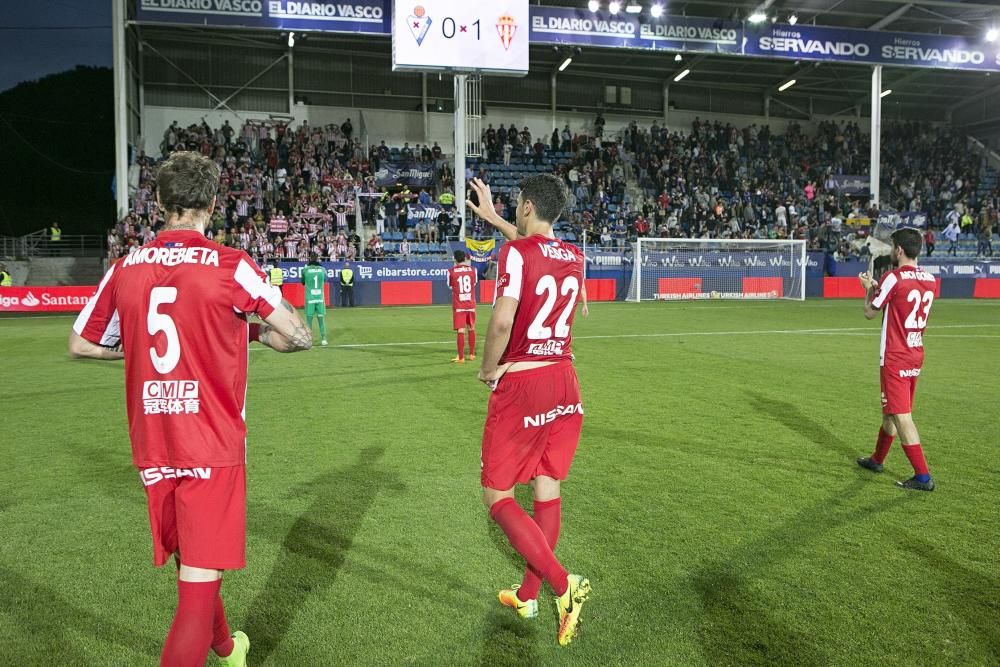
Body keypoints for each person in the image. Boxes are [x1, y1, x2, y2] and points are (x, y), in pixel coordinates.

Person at [67, 151, 312, 666]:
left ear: (157, 202)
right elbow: (298, 336)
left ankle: (227, 648)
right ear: (215, 204)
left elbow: (81, 344)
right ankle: (211, 644)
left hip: (153, 441)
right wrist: (249, 330)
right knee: (195, 593)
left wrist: (132, 350)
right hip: (210, 442)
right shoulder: (231, 265)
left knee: (194, 564)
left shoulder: (125, 267)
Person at [465, 174, 591, 647]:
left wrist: (487, 369)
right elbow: (536, 250)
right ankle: (527, 595)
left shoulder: (515, 254)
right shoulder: (573, 256)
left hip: (525, 382)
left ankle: (564, 586)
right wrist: (493, 217)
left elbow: (501, 319)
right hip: (565, 381)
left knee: (497, 497)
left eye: (515, 206)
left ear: (527, 205)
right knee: (546, 485)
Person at [857, 228, 936, 491]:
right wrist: (882, 289)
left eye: (892, 247)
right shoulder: (930, 279)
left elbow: (870, 312)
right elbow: (903, 301)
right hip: (915, 352)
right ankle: (877, 460)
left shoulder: (893, 277)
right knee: (890, 411)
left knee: (902, 416)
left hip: (895, 355)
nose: (891, 251)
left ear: (899, 250)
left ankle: (923, 477)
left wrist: (869, 289)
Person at [446, 250, 478, 363]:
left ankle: (461, 357)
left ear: (455, 259)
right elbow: (474, 284)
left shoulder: (451, 272)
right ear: (465, 258)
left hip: (459, 303)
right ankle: (472, 354)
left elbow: (450, 286)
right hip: (470, 303)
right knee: (471, 327)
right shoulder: (473, 270)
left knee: (461, 330)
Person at [301, 254, 329, 346]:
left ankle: (309, 340)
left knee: (309, 320)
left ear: (310, 259)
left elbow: (302, 282)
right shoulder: (322, 270)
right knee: (321, 319)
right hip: (320, 298)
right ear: (317, 259)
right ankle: (324, 339)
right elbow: (325, 279)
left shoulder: (305, 269)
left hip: (310, 298)